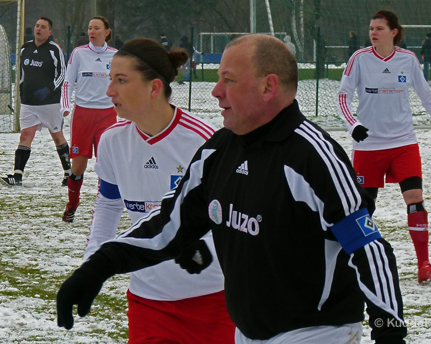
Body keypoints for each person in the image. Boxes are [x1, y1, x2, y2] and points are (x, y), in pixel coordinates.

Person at [57, 34, 407, 344]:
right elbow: (168, 224)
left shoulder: (312, 156)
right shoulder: (219, 150)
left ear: (268, 87)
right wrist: (98, 266)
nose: (215, 91)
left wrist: (388, 330)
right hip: (247, 332)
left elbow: (367, 246)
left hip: (316, 331)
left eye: (228, 80)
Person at [82, 37, 234, 343]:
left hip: (213, 299)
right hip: (148, 300)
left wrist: (199, 245)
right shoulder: (112, 141)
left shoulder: (203, 141)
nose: (109, 91)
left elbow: (229, 215)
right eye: (110, 80)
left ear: (153, 88)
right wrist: (93, 261)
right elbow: (109, 203)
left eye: (121, 81)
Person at [338, 10, 431, 283]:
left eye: (379, 28)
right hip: (369, 146)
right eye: (371, 28)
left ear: (393, 32)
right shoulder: (359, 59)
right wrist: (354, 126)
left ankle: (423, 264)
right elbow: (343, 97)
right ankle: (350, 263)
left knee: (415, 197)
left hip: (404, 143)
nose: (373, 33)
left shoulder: (408, 60)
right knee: (364, 207)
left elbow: (428, 98)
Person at [0, 17, 70, 187]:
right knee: (25, 136)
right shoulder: (26, 48)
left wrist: (47, 90)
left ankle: (69, 174)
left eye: (43, 27)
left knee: (57, 137)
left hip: (50, 103)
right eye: (37, 25)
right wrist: (21, 90)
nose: (39, 29)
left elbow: (62, 74)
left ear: (49, 32)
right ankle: (17, 176)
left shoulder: (54, 50)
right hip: (29, 103)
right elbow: (22, 74)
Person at [61, 16, 118, 223]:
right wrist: (65, 106)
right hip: (83, 114)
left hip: (107, 115)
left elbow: (123, 84)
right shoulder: (79, 53)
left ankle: (101, 207)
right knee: (78, 167)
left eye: (96, 28)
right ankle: (72, 205)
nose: (92, 31)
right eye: (89, 28)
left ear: (107, 32)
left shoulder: (116, 55)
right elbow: (68, 81)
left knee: (106, 164)